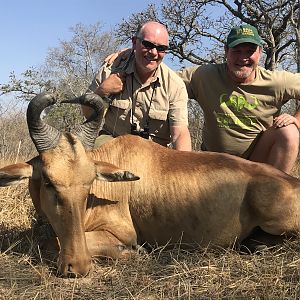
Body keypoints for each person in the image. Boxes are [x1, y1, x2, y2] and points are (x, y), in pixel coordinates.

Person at [177, 24, 300, 174]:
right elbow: (167, 81)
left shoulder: (276, 82)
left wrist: (297, 120)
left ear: (260, 53)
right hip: (213, 162)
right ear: (226, 51)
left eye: (250, 51)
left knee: (289, 132)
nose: (243, 58)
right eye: (237, 51)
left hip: (255, 162)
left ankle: (275, 190)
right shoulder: (204, 75)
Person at [83, 21, 192, 151]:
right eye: (147, 44)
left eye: (161, 48)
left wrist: (181, 167)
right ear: (134, 42)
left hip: (155, 152)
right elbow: (87, 115)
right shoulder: (110, 70)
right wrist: (102, 91)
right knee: (88, 155)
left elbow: (179, 133)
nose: (153, 52)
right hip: (113, 145)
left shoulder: (175, 85)